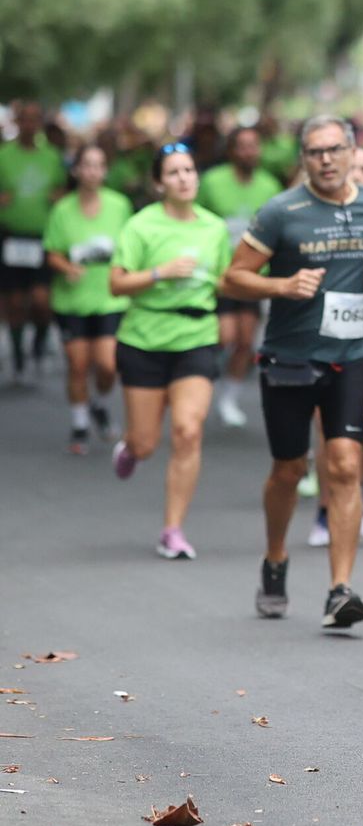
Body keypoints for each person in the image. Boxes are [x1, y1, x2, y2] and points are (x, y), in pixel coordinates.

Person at [223, 116, 363, 630]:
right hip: (289, 358)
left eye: (334, 149)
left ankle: (340, 589)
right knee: (289, 469)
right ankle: (275, 558)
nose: (325, 159)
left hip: (352, 353)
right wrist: (283, 286)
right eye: (314, 152)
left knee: (343, 463)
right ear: (303, 157)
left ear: (350, 151)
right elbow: (233, 277)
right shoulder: (281, 210)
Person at [107, 143, 231, 559]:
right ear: (159, 182)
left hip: (196, 335)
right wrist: (161, 273)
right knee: (146, 442)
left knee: (188, 430)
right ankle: (130, 449)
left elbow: (226, 279)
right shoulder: (142, 226)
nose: (184, 178)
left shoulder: (214, 228)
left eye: (190, 170)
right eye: (174, 172)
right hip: (144, 338)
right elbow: (116, 283)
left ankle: (172, 529)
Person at [307, 144, 363, 544]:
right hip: (321, 335)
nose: (356, 174)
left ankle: (355, 489)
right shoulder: (318, 216)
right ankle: (327, 507)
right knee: (330, 431)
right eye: (351, 167)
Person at [43, 145, 133, 452]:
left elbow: (131, 247)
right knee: (78, 364)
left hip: (109, 298)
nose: (93, 171)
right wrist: (66, 267)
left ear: (105, 170)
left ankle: (100, 403)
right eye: (87, 165)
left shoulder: (119, 205)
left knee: (107, 365)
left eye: (99, 165)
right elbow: (51, 251)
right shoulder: (62, 210)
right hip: (72, 301)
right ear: (76, 170)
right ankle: (80, 424)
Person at [198, 125, 283, 427]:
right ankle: (205, 380)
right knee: (225, 336)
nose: (248, 152)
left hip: (253, 275)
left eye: (253, 146)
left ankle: (229, 398)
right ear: (231, 150)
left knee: (246, 341)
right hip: (221, 273)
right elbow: (198, 222)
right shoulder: (211, 181)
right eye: (242, 146)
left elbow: (277, 232)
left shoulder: (270, 185)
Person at [0, 102, 67, 383]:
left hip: (42, 237)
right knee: (14, 302)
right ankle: (17, 358)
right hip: (11, 236)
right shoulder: (4, 155)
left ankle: (38, 346)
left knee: (42, 301)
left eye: (34, 120)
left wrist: (57, 197)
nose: (29, 125)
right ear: (17, 122)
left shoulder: (51, 157)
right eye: (24, 120)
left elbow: (61, 190)